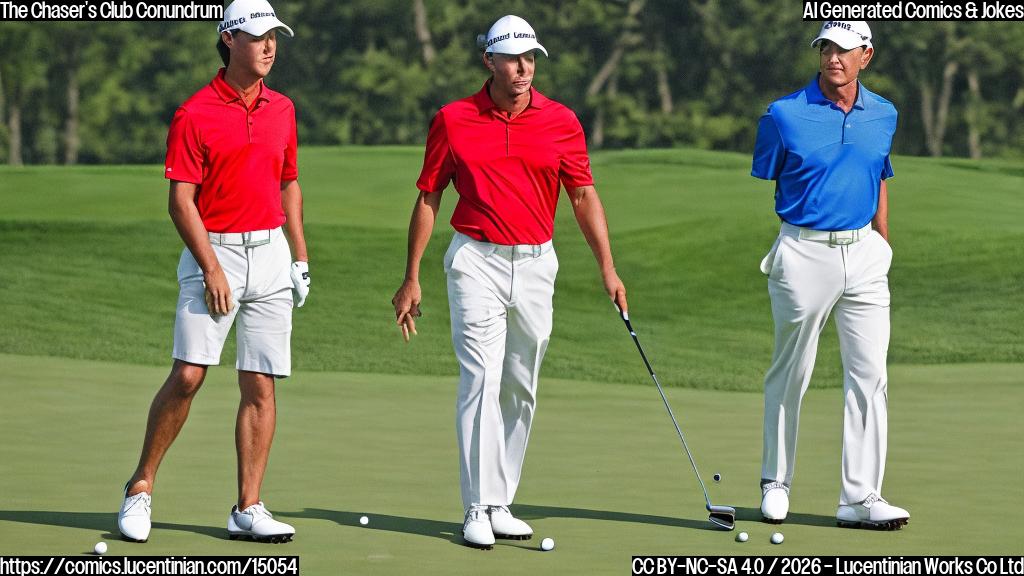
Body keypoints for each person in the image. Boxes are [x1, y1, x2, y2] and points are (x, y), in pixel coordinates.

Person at [391, 15, 628, 549]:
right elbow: (429, 196)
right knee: (481, 376)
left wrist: (608, 267)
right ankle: (476, 505)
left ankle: (499, 500)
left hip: (538, 263)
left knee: (521, 383)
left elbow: (582, 195)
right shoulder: (453, 119)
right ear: (489, 61)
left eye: (530, 58)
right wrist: (411, 276)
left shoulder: (561, 121)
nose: (523, 69)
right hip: (476, 260)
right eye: (512, 59)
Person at [117, 0, 309, 544]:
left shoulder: (283, 109)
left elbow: (289, 183)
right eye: (258, 37)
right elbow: (181, 202)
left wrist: (299, 257)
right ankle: (139, 487)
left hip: (270, 253)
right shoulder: (194, 113)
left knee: (260, 383)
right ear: (229, 39)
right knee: (189, 374)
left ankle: (248, 507)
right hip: (215, 250)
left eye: (274, 37)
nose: (269, 46)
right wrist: (211, 269)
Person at [751, 20, 909, 530]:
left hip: (864, 254)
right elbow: (773, 175)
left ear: (867, 55)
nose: (832, 58)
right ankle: (776, 482)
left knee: (870, 375)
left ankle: (860, 497)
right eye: (825, 48)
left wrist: (882, 243)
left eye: (843, 49)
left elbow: (878, 175)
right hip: (804, 252)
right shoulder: (783, 114)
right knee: (791, 370)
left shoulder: (884, 113)